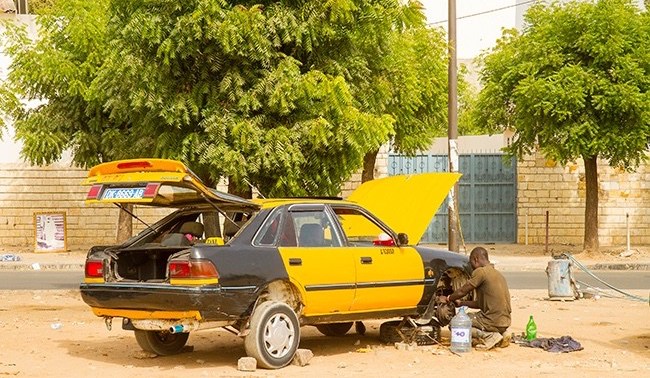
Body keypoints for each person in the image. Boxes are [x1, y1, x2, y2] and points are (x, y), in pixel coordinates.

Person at [438, 246, 511, 350]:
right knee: (474, 318)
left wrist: (448, 298)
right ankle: (502, 333)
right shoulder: (498, 274)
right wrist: (462, 303)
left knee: (455, 324)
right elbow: (481, 304)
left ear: (476, 259)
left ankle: (489, 336)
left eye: (471, 262)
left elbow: (463, 290)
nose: (471, 266)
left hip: (492, 320)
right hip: (505, 321)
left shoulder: (480, 271)